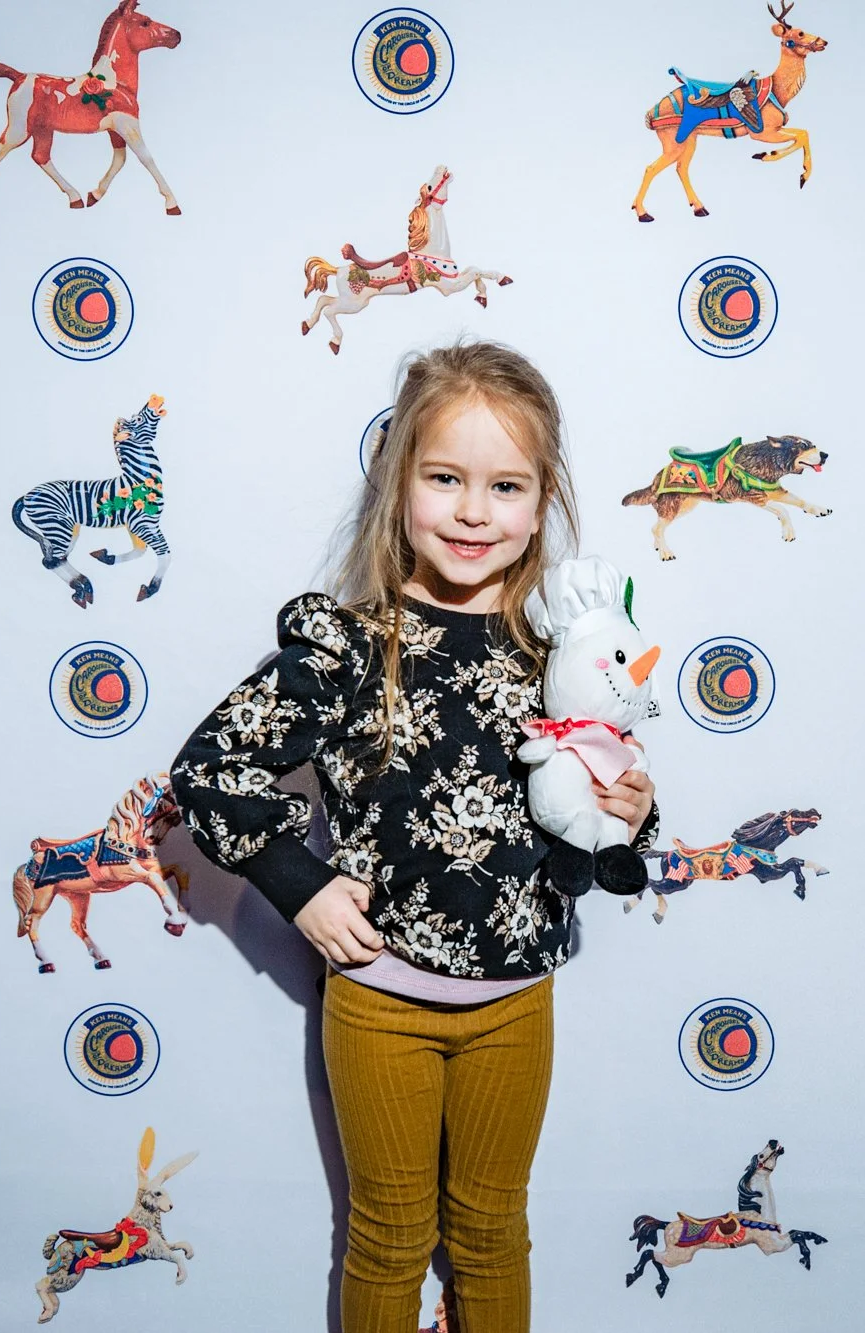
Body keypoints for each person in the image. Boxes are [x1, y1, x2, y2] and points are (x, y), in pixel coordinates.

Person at [169, 338, 658, 1332]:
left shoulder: (559, 654)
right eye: (445, 479)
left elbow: (598, 816)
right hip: (379, 1006)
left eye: (504, 486)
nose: (474, 512)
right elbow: (208, 773)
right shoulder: (350, 646)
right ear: (400, 485)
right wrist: (297, 883)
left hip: (516, 1005)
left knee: (490, 1233)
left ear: (540, 497)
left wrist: (634, 810)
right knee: (388, 1236)